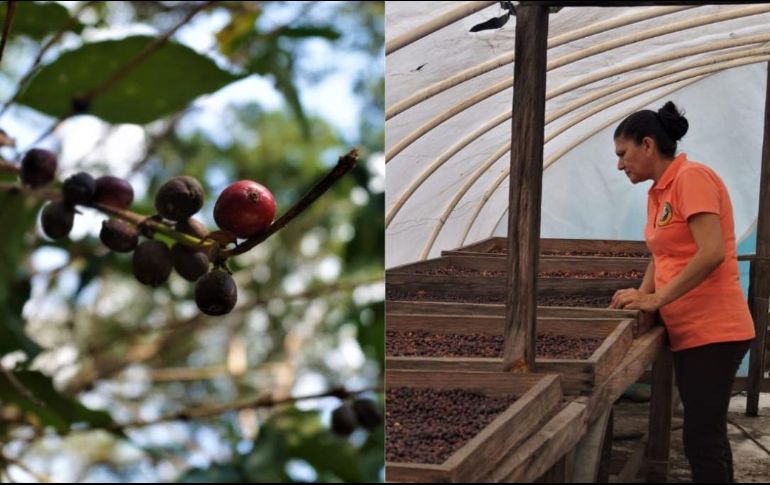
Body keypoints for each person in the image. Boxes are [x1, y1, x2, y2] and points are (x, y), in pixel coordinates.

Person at [609, 101, 755, 483]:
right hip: (690, 332)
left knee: (700, 439)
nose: (620, 165)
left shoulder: (691, 178)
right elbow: (663, 253)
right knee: (708, 435)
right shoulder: (659, 192)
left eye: (623, 154)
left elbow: (711, 253)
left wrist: (656, 300)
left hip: (715, 331)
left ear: (647, 145)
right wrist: (641, 297)